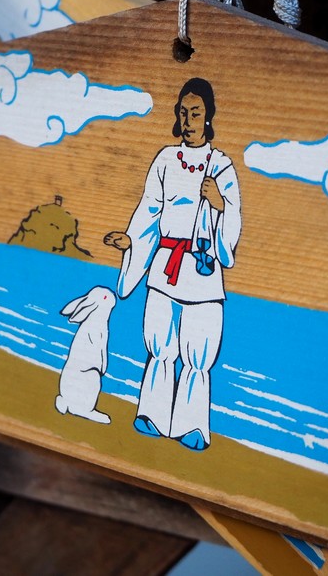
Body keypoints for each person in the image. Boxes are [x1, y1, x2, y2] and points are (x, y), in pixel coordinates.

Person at [104, 77, 241, 450]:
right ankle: (151, 412)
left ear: (208, 116)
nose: (189, 120)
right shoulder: (165, 160)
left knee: (198, 350)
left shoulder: (223, 167)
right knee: (160, 344)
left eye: (195, 113)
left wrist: (218, 204)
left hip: (203, 268)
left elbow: (233, 227)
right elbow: (149, 211)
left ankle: (193, 426)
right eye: (183, 112)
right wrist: (131, 243)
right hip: (165, 264)